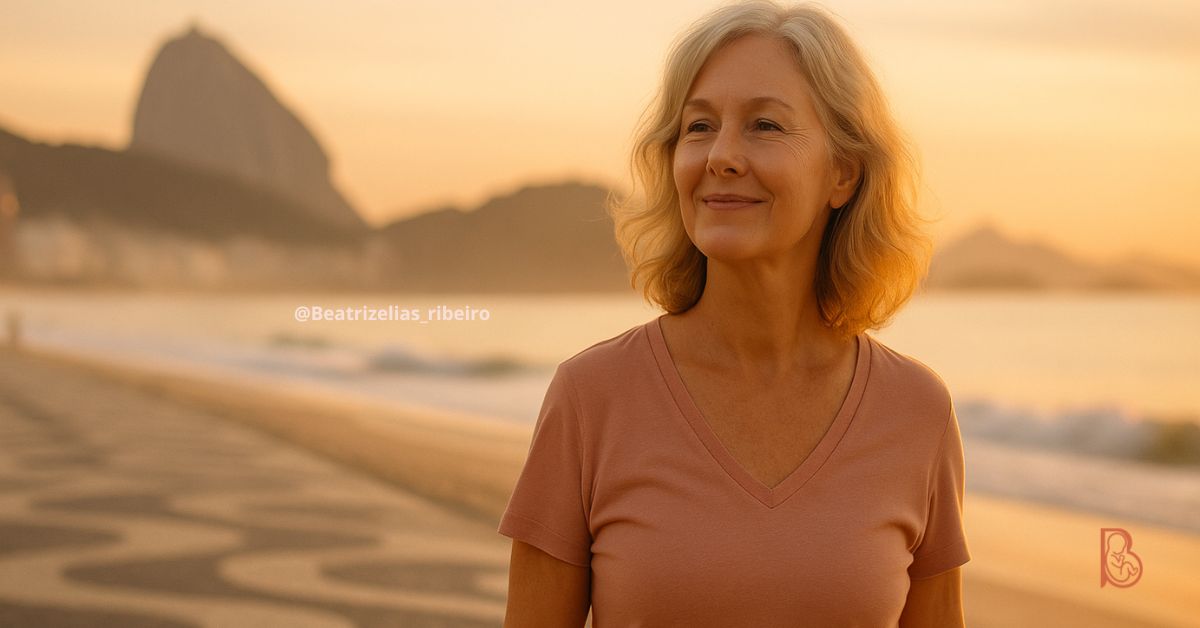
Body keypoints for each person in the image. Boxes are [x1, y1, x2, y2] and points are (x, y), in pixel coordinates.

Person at [498, 1, 970, 625]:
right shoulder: (591, 399)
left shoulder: (916, 412)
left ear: (843, 175)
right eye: (698, 127)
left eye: (765, 126)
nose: (720, 154)